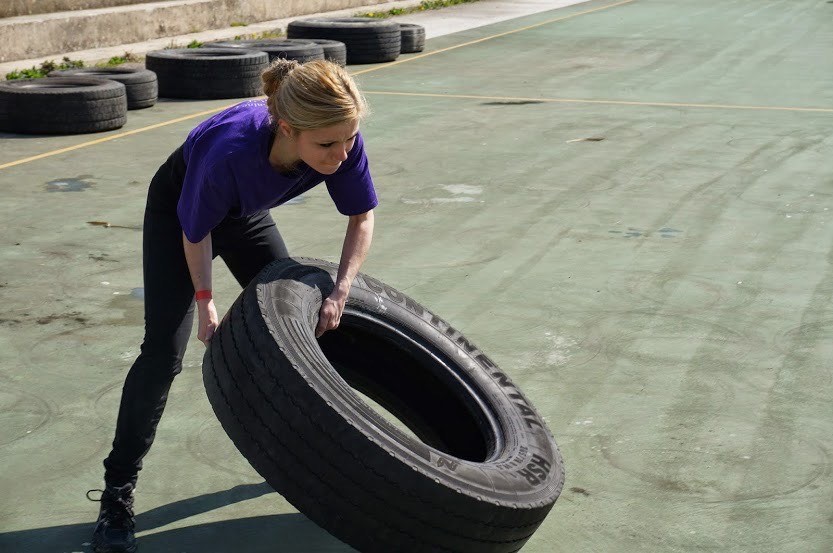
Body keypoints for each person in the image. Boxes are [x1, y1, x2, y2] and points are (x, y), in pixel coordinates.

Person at [87, 58, 377, 553]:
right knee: (164, 354)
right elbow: (195, 233)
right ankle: (117, 490)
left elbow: (361, 216)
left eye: (348, 138)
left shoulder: (339, 141)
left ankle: (318, 457)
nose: (341, 153)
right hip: (183, 215)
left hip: (246, 213)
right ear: (288, 128)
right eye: (327, 144)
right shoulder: (230, 153)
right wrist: (206, 302)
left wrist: (342, 288)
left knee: (301, 330)